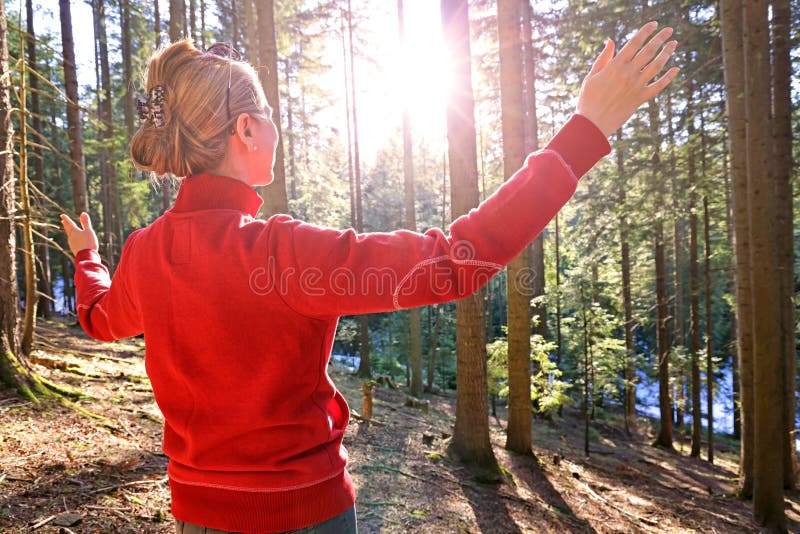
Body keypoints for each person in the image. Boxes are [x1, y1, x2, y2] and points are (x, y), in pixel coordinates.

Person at [60, 21, 678, 534]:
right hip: (305, 516)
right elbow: (456, 260)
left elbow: (99, 318)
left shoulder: (143, 253)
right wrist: (584, 132)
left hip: (197, 515)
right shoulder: (281, 251)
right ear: (245, 130)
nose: (273, 126)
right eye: (267, 114)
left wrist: (89, 259)